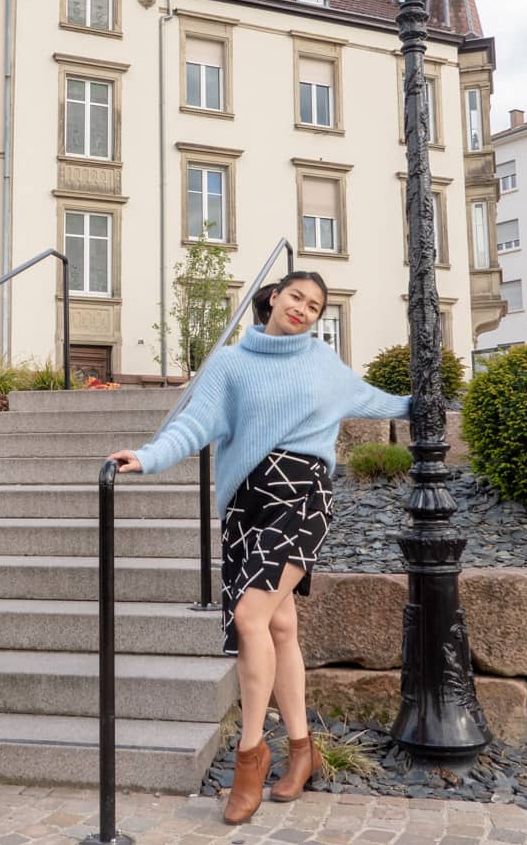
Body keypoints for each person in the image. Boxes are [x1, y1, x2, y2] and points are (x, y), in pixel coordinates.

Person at [107, 270, 411, 825]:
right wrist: (147, 457)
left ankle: (251, 756)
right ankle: (303, 751)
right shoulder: (230, 363)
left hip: (302, 494)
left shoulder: (322, 364)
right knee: (279, 626)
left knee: (250, 616)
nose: (304, 308)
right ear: (273, 296)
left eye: (316, 306)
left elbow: (380, 401)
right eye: (297, 296)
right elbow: (195, 425)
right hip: (246, 504)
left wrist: (423, 402)